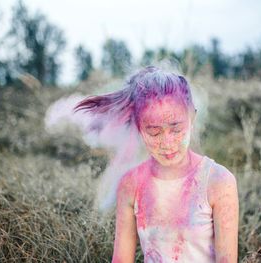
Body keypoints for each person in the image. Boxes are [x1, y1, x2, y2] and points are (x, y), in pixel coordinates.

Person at [74, 66, 239, 263]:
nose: (167, 142)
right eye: (154, 132)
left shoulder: (218, 181)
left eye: (176, 128)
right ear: (138, 127)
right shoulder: (130, 185)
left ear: (192, 118)